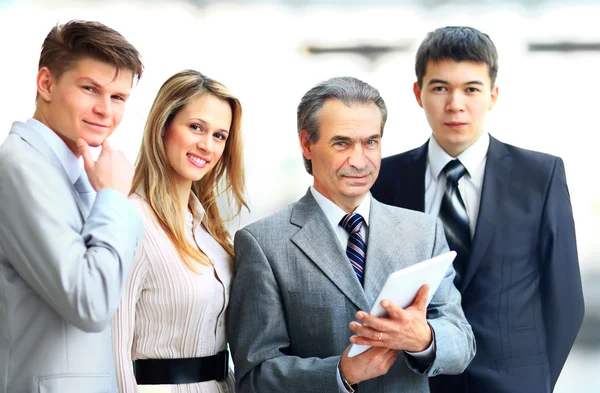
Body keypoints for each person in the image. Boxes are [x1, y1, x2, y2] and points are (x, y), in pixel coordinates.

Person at [227, 76, 475, 393]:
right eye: (342, 143)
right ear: (306, 144)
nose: (359, 161)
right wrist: (342, 372)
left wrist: (423, 338)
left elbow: (462, 341)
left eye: (370, 142)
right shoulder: (263, 243)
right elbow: (255, 378)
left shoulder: (423, 232)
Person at [371, 26, 585, 393]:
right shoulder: (384, 179)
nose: (455, 104)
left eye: (471, 89)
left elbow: (565, 300)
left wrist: (539, 382)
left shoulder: (540, 176)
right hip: (416, 380)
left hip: (514, 383)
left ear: (493, 95)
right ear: (418, 94)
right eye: (440, 88)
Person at [0, 20, 144, 393]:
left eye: (118, 98)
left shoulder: (71, 171)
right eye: (89, 89)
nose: (104, 110)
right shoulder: (21, 166)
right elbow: (90, 302)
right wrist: (113, 198)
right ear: (46, 83)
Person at [112, 69, 247, 393]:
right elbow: (112, 350)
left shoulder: (211, 233)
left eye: (219, 136)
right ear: (163, 127)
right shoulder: (131, 220)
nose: (207, 145)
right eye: (196, 127)